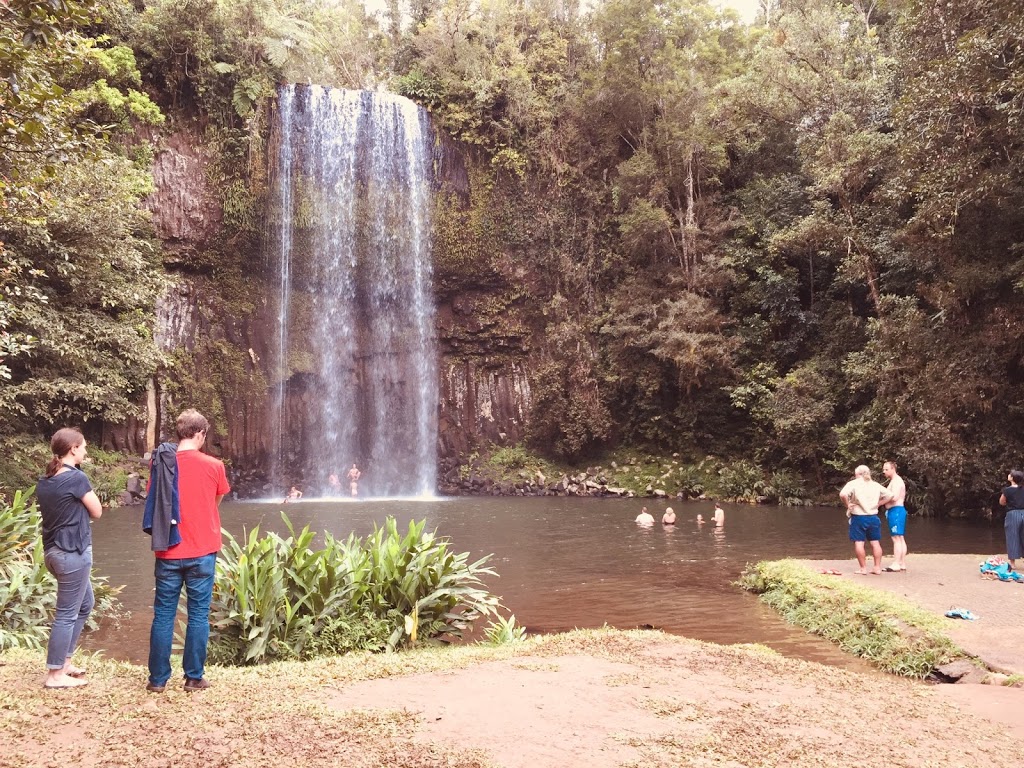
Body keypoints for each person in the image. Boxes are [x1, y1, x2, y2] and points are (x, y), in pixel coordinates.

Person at [144, 409, 230, 693]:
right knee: (198, 614)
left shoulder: (161, 464)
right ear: (200, 434)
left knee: (164, 614)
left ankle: (157, 680)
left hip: (168, 549)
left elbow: (154, 500)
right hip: (203, 550)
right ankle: (194, 677)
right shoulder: (214, 465)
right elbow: (215, 500)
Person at [35, 428, 103, 688]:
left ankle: (64, 663)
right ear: (73, 449)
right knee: (66, 614)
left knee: (86, 604)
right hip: (72, 554)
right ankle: (54, 675)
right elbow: (96, 511)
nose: (86, 451)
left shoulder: (47, 480)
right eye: (83, 446)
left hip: (53, 553)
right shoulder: (76, 478)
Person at [839, 465, 893, 575]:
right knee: (875, 542)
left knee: (859, 542)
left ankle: (863, 568)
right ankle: (877, 568)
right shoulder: (875, 485)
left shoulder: (853, 484)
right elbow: (890, 495)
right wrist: (879, 504)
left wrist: (848, 504)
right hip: (873, 517)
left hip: (859, 517)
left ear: (858, 474)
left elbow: (843, 494)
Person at [882, 460, 908, 571]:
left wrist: (880, 502)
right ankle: (901, 563)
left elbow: (895, 497)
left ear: (893, 469)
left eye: (886, 469)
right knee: (900, 538)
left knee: (896, 538)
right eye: (883, 469)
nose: (884, 472)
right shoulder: (894, 481)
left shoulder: (897, 481)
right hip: (897, 511)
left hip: (896, 511)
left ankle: (897, 563)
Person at [999, 469, 1024, 571]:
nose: (1008, 475)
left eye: (1010, 474)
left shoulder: (1007, 490)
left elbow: (1002, 502)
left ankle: (1013, 564)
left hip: (1012, 514)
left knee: (1012, 537)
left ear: (1012, 478)